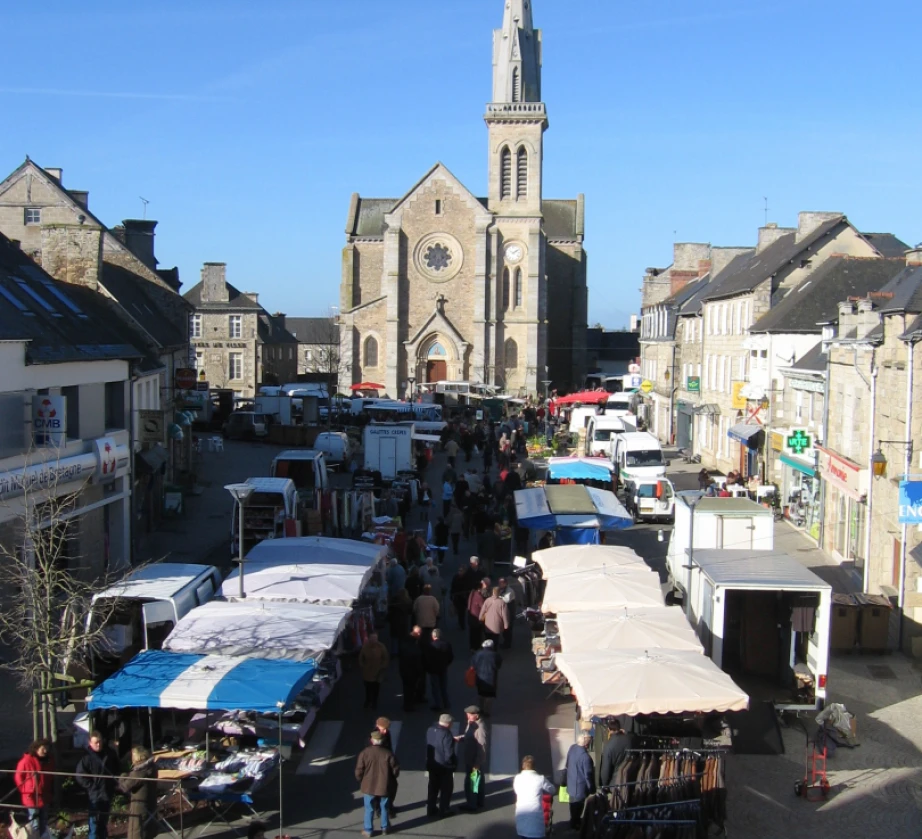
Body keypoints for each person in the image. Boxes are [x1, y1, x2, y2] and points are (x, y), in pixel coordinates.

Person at [355, 730, 400, 837]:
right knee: (384, 807)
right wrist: (391, 778)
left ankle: (368, 830)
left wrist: (361, 780)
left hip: (368, 786)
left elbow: (359, 771)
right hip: (384, 785)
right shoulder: (388, 753)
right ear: (382, 740)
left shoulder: (364, 753)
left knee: (369, 808)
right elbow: (396, 770)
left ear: (372, 740)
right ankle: (385, 827)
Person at [76, 731, 120, 839]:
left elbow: (117, 769)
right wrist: (91, 786)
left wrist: (114, 783)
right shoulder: (86, 757)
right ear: (90, 743)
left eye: (100, 742)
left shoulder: (109, 754)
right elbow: (80, 775)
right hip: (94, 794)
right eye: (96, 742)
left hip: (107, 792)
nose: (98, 744)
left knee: (103, 822)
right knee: (94, 823)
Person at [15, 739, 53, 837]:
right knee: (34, 822)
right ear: (36, 748)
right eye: (43, 748)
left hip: (44, 795)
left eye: (47, 748)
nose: (45, 751)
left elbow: (50, 777)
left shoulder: (48, 760)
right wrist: (26, 790)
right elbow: (18, 777)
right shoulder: (26, 761)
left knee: (44, 821)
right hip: (31, 796)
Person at [513, 755, 556, 839]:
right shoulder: (540, 779)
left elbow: (517, 791)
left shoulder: (517, 778)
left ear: (523, 766)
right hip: (535, 821)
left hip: (521, 818)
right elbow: (552, 789)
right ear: (534, 767)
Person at [118, 746, 155, 839]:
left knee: (137, 832)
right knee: (147, 832)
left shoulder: (139, 772)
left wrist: (123, 776)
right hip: (150, 804)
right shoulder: (151, 767)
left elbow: (125, 787)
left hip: (139, 807)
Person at [425, 713, 457, 819]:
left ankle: (431, 809)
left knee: (432, 787)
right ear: (449, 723)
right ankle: (444, 809)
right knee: (446, 789)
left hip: (432, 763)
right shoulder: (447, 734)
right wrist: (452, 764)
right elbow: (449, 753)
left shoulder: (430, 730)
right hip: (444, 766)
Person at [460, 705, 489, 812]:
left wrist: (477, 763)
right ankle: (478, 802)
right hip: (471, 759)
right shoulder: (471, 723)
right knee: (477, 782)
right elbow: (469, 737)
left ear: (477, 715)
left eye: (470, 714)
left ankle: (472, 804)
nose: (468, 716)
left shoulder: (480, 728)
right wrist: (461, 738)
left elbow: (482, 747)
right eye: (467, 714)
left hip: (474, 761)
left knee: (472, 783)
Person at [565, 734, 596, 830]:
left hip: (571, 783)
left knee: (572, 806)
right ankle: (576, 824)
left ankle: (573, 822)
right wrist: (592, 789)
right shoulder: (585, 757)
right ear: (586, 745)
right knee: (578, 808)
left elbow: (567, 764)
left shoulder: (572, 748)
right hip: (580, 788)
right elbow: (588, 775)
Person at [424, 628, 454, 711]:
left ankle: (438, 704)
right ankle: (446, 703)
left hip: (433, 669)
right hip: (443, 668)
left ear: (433, 636)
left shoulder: (431, 646)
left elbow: (427, 659)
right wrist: (446, 664)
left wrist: (428, 668)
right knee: (443, 687)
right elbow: (451, 657)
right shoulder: (447, 644)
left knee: (435, 687)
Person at [470, 639, 502, 717]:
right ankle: (487, 711)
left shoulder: (478, 654)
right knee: (490, 696)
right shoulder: (495, 655)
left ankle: (481, 709)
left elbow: (473, 665)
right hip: (491, 678)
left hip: (480, 677)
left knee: (481, 694)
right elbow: (498, 665)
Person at [359, 633, 390, 709]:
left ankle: (374, 702)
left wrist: (383, 666)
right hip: (368, 671)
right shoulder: (365, 647)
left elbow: (385, 657)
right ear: (369, 639)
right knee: (368, 688)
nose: (374, 640)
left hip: (378, 671)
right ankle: (368, 700)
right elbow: (361, 658)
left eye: (375, 638)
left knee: (376, 688)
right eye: (372, 638)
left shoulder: (381, 647)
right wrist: (363, 666)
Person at [398, 626, 426, 711]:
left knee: (406, 688)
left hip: (404, 671)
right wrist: (420, 672)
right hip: (412, 672)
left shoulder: (404, 644)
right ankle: (409, 705)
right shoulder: (415, 649)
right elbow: (417, 663)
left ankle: (407, 704)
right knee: (410, 689)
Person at [599, 721, 634, 787]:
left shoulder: (609, 746)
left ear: (609, 730)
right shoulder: (628, 739)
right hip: (628, 778)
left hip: (615, 782)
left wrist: (604, 784)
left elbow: (605, 770)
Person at [387, 588, 412, 655]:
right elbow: (410, 611)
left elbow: (389, 609)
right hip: (403, 622)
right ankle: (402, 652)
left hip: (394, 622)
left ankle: (394, 652)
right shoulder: (408, 601)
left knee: (394, 639)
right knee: (402, 639)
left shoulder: (394, 601)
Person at [466, 578, 489, 651]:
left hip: (471, 617)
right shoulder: (478, 596)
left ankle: (472, 647)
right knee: (477, 634)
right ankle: (477, 648)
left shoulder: (472, 593)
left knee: (472, 633)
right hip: (477, 618)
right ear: (479, 588)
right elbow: (483, 607)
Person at [498, 577, 516, 649]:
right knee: (505, 629)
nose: (500, 584)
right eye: (499, 583)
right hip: (504, 612)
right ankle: (505, 642)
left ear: (505, 583)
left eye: (501, 583)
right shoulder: (502, 589)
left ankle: (507, 644)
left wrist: (499, 597)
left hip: (509, 612)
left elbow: (506, 600)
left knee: (508, 628)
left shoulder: (510, 591)